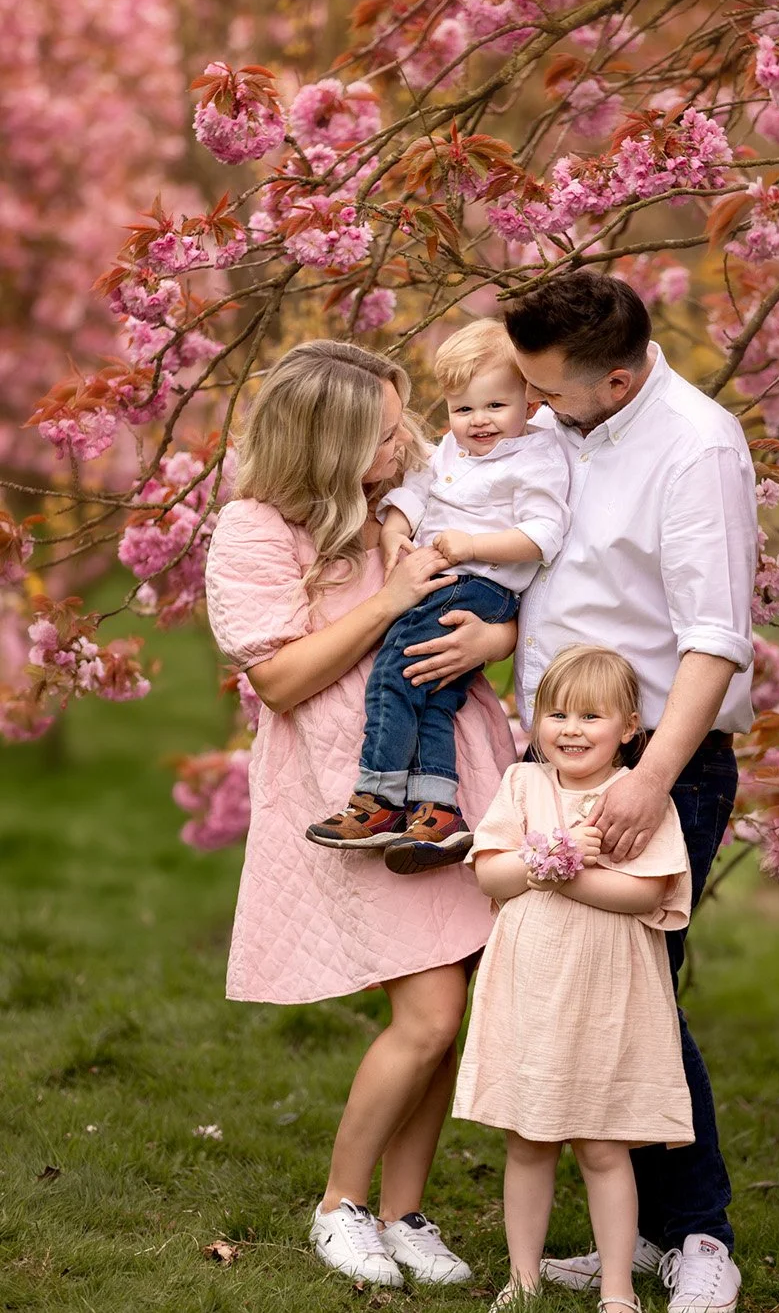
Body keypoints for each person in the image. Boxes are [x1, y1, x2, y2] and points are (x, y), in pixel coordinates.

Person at [404, 271, 755, 1313]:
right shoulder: (567, 427)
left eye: (547, 392)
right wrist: (500, 636)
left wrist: (651, 779)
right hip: (553, 752)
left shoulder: (694, 448)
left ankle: (699, 1235)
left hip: (653, 760)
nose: (532, 408)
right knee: (583, 993)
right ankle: (643, 1228)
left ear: (617, 374)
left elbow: (712, 639)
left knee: (637, 1000)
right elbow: (559, 571)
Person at [204, 340, 518, 1288]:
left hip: (456, 771)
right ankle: (341, 1205)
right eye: (384, 433)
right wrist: (386, 602)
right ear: (328, 441)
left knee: (449, 1003)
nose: (408, 443)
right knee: (427, 1012)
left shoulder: (409, 504)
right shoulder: (255, 530)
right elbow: (282, 678)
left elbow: (502, 592)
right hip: (358, 789)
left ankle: (404, 1211)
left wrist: (493, 635)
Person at [453, 645, 693, 1313]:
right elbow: (489, 873)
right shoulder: (523, 787)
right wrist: (545, 858)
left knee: (602, 1142)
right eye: (556, 712)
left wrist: (575, 873)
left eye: (592, 714)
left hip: (607, 995)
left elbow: (645, 896)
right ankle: (524, 1278)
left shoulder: (638, 799)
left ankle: (617, 1289)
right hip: (532, 988)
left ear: (629, 728)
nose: (572, 728)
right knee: (528, 1140)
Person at [306, 321, 569, 874]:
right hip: (444, 579)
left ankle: (376, 798)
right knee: (431, 690)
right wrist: (395, 529)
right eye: (463, 409)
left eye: (496, 405)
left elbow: (544, 534)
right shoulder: (451, 449)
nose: (479, 422)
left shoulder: (536, 456)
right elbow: (416, 489)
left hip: (483, 584)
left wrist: (472, 543)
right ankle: (437, 811)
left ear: (531, 399)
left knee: (393, 675)